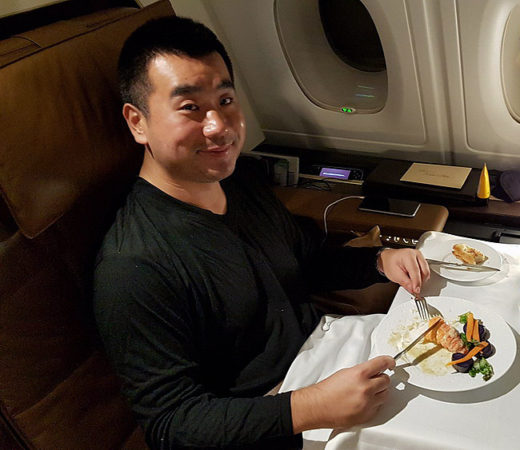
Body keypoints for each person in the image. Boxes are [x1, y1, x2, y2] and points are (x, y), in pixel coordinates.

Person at [93, 16, 430, 449]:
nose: (219, 126)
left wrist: (378, 260)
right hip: (277, 416)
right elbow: (171, 423)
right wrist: (312, 406)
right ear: (137, 122)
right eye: (190, 107)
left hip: (334, 348)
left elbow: (306, 260)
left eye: (226, 99)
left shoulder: (240, 181)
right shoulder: (133, 266)